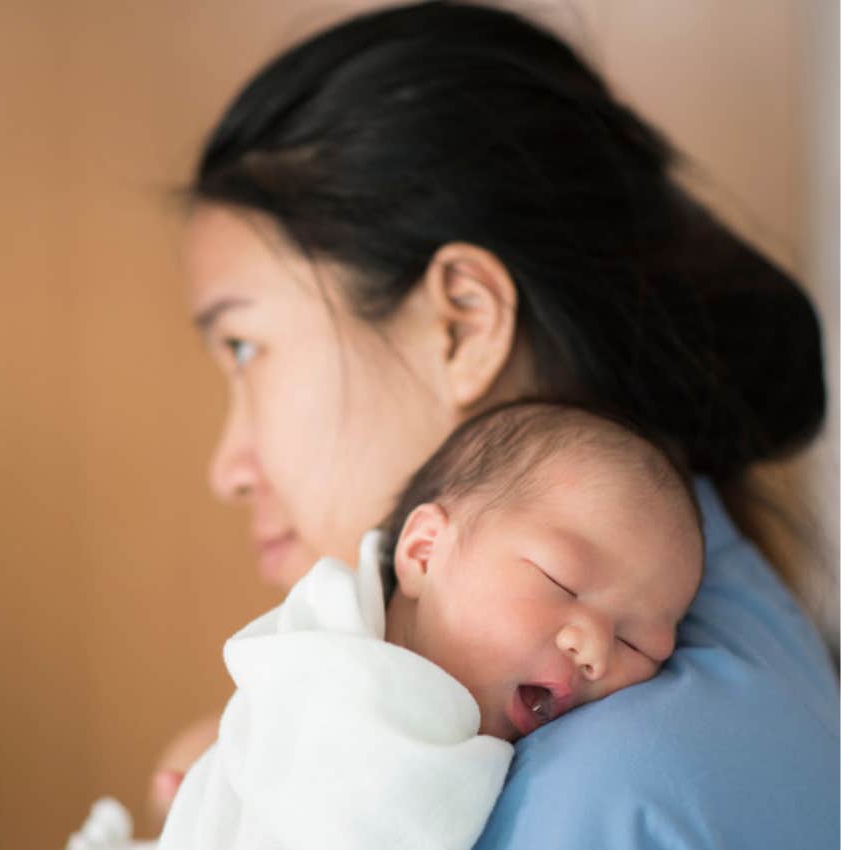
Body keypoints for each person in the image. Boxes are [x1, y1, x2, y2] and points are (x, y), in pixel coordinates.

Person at [151, 1, 838, 848]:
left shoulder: (601, 792)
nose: (229, 467)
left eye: (247, 346)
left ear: (463, 322)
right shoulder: (694, 651)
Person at [71, 402, 699, 849]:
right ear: (425, 553)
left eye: (637, 642)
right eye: (561, 582)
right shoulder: (357, 684)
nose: (592, 647)